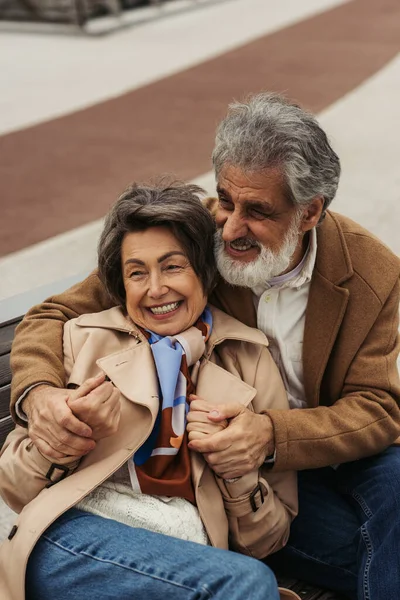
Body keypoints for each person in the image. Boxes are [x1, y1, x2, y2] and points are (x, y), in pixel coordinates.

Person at [7, 92, 400, 599]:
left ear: (309, 213)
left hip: (312, 454)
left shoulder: (374, 274)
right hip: (231, 483)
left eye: (257, 211)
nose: (231, 226)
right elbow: (54, 313)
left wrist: (269, 434)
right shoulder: (189, 239)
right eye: (226, 199)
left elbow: (378, 406)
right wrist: (40, 395)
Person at [0, 181, 299, 600]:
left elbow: (266, 540)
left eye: (173, 266)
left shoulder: (249, 361)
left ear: (204, 272)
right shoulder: (82, 339)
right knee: (246, 585)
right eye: (137, 273)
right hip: (68, 536)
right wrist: (63, 443)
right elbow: (12, 489)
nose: (156, 289)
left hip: (185, 557)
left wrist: (236, 472)